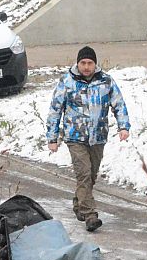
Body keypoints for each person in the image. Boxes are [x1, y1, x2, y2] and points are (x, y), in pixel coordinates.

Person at [45, 45, 130, 232]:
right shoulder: (67, 82)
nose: (86, 67)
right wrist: (52, 137)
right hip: (75, 136)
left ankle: (78, 203)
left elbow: (119, 104)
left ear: (95, 64)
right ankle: (90, 214)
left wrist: (123, 126)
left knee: (90, 175)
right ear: (77, 64)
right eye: (83, 63)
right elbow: (55, 109)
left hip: (98, 136)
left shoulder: (106, 82)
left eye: (89, 63)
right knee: (83, 173)